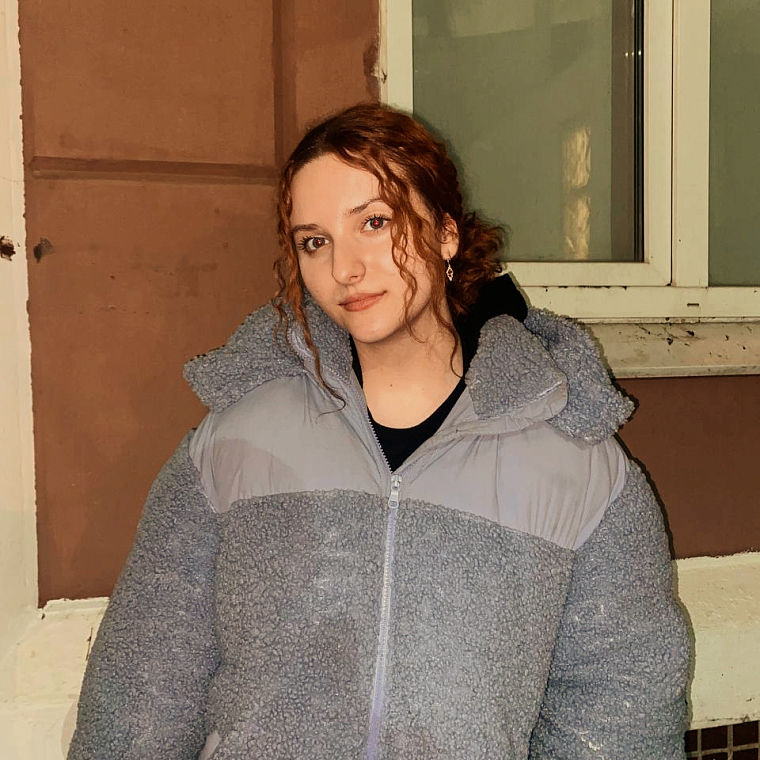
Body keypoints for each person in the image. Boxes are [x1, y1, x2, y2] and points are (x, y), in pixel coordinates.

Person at [68, 103, 691, 760]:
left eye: (374, 222)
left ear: (446, 233)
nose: (345, 268)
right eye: (315, 241)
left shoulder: (580, 465)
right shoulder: (233, 441)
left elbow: (621, 706)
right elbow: (144, 685)